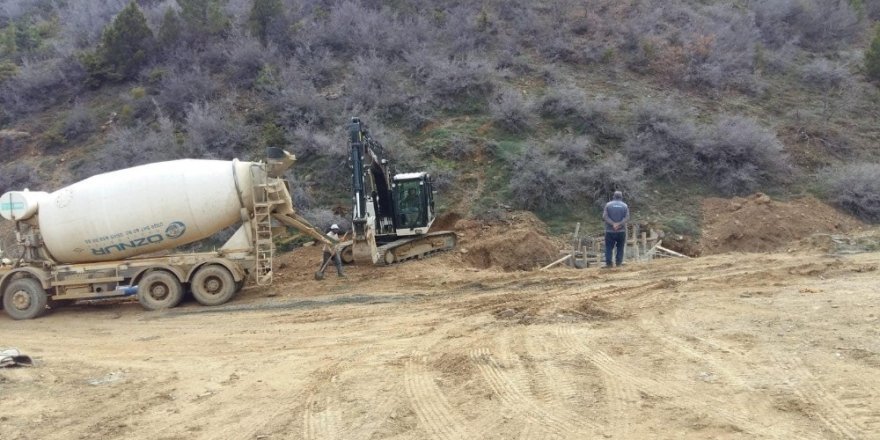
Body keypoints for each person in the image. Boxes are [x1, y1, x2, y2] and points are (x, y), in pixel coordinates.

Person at [602, 190, 630, 268]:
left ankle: (609, 264)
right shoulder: (625, 206)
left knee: (608, 247)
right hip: (621, 231)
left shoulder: (608, 205)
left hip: (609, 230)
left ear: (613, 196)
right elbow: (627, 217)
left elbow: (604, 216)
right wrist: (619, 224)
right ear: (621, 197)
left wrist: (613, 224)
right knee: (620, 247)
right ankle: (618, 263)